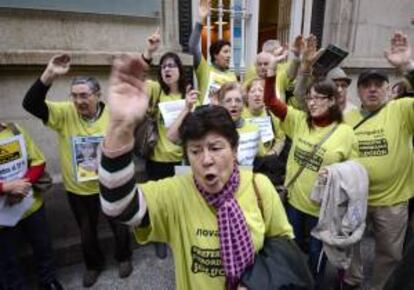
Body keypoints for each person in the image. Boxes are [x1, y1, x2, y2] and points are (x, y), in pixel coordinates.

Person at [98, 54, 294, 290]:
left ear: (234, 149)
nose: (206, 160)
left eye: (215, 147)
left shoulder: (259, 186)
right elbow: (118, 206)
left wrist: (257, 283)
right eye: (195, 151)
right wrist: (120, 127)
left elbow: (282, 243)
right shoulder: (178, 191)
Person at [22, 56, 133, 287]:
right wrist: (49, 74)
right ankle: (93, 265)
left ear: (97, 95)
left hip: (110, 184)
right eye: (74, 95)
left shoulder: (114, 115)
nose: (78, 101)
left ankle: (124, 257)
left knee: (120, 224)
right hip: (79, 189)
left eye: (84, 95)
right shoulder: (65, 113)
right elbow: (31, 104)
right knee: (86, 231)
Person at [264, 66, 358, 289]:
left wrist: (336, 173)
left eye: (319, 98)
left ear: (333, 101)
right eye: (309, 98)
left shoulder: (345, 133)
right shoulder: (298, 121)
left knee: (317, 254)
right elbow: (270, 101)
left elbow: (354, 172)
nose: (312, 103)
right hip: (295, 203)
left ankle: (314, 285)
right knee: (293, 249)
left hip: (323, 210)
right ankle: (294, 282)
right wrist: (270, 74)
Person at [342, 31, 414, 290]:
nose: (372, 89)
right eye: (366, 85)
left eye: (378, 84)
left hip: (393, 202)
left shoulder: (402, 109)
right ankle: (352, 281)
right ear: (358, 91)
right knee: (351, 247)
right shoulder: (348, 118)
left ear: (387, 88)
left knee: (390, 254)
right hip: (357, 200)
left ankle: (379, 287)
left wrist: (407, 66)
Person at [140, 28, 198, 259]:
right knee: (158, 203)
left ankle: (177, 235)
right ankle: (160, 238)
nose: (167, 69)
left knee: (181, 203)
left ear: (179, 70)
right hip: (158, 159)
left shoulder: (188, 94)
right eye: (163, 66)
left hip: (182, 160)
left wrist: (192, 106)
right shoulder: (155, 91)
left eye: (172, 65)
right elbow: (136, 80)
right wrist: (149, 52)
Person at [0, 123, 62, 290]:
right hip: (2, 217)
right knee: (8, 261)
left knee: (43, 248)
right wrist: (5, 188)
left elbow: (38, 161)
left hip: (30, 205)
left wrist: (22, 186)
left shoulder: (14, 129)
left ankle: (48, 281)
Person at [188, 0, 237, 105]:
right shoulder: (204, 69)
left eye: (229, 52)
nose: (229, 55)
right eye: (225, 51)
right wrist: (201, 20)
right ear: (215, 55)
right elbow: (192, 46)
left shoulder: (232, 75)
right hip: (206, 118)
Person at [216, 81, 265, 166]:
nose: (234, 104)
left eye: (238, 100)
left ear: (243, 104)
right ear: (221, 104)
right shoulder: (213, 131)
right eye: (228, 101)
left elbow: (261, 158)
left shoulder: (254, 129)